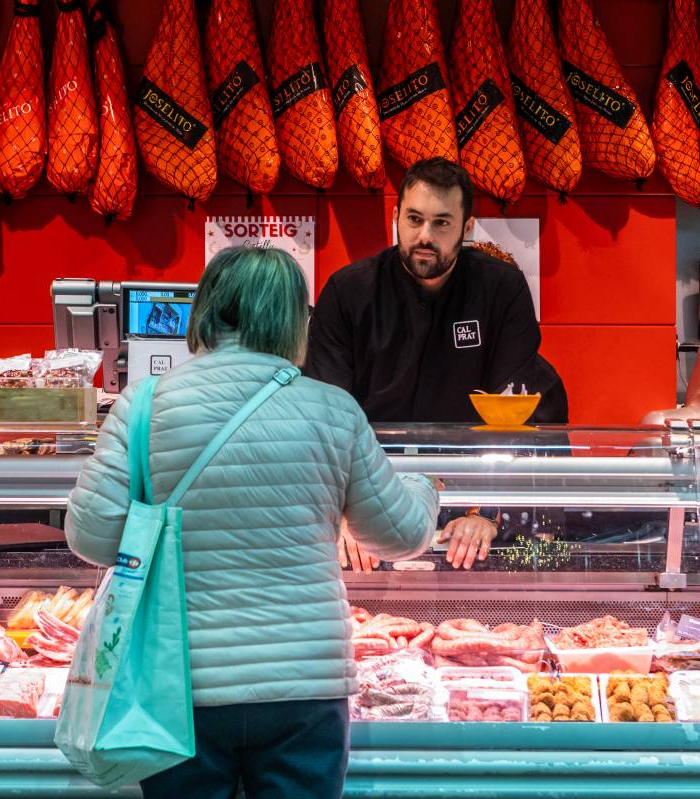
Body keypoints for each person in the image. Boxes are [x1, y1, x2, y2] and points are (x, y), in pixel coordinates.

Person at [66, 246, 439, 799]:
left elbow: (91, 536)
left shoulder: (142, 406)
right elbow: (400, 535)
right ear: (295, 320)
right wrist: (426, 490)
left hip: (181, 690)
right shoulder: (333, 409)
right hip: (305, 691)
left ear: (207, 311)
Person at [306, 157, 568, 570]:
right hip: (366, 493)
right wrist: (342, 511)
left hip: (468, 499)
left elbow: (510, 414)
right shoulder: (348, 292)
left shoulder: (501, 289)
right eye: (414, 219)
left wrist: (483, 510)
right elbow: (327, 419)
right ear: (396, 217)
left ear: (466, 227)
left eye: (442, 223)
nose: (424, 236)